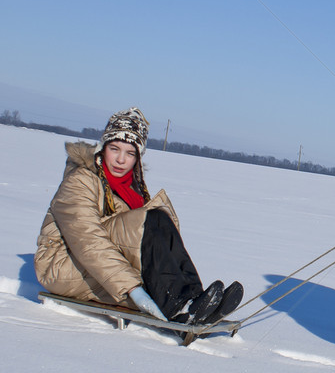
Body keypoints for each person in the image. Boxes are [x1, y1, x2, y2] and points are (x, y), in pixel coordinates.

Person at [35, 107, 243, 325]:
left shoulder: (132, 190)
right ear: (103, 148)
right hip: (62, 265)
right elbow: (87, 241)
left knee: (159, 219)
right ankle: (179, 305)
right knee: (151, 221)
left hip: (97, 265)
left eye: (130, 153)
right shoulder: (81, 181)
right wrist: (132, 288)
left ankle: (193, 299)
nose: (121, 159)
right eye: (115, 149)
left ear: (138, 158)